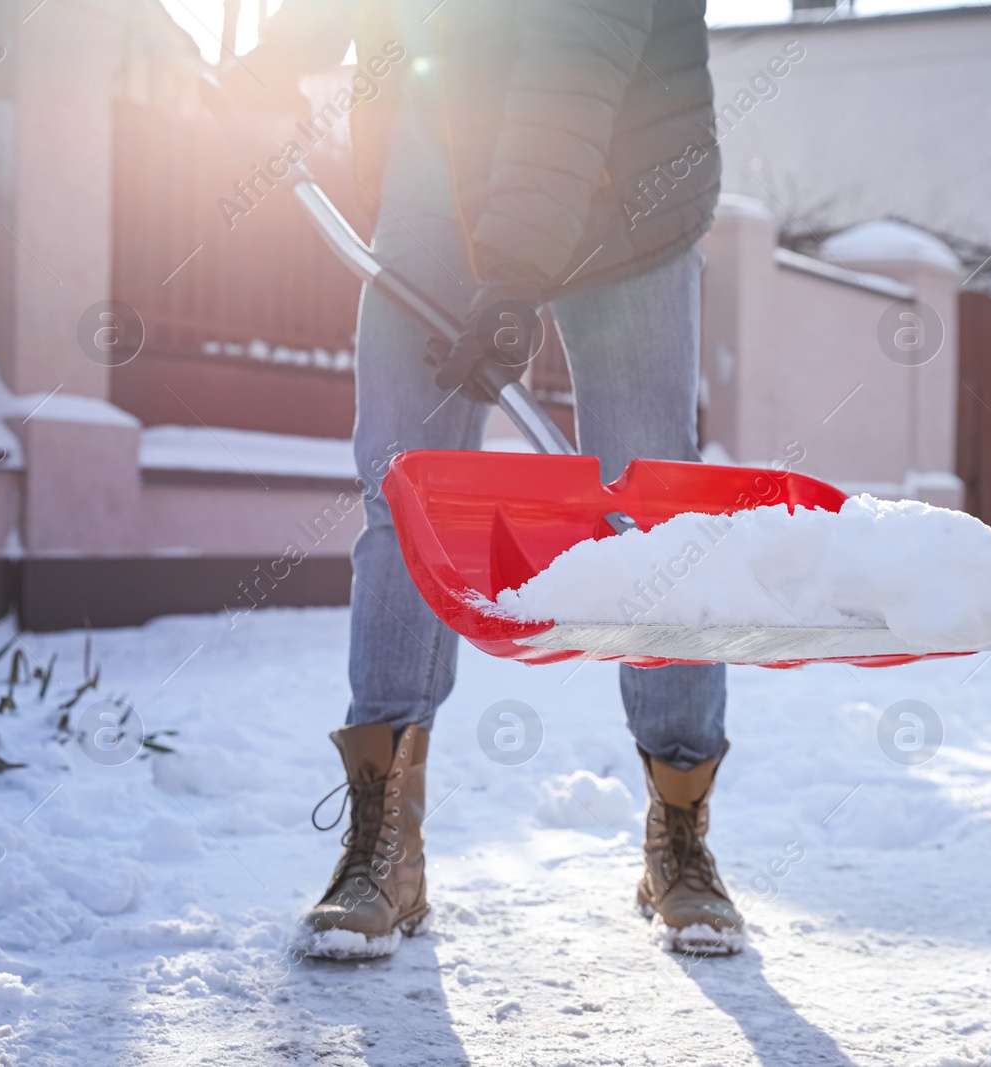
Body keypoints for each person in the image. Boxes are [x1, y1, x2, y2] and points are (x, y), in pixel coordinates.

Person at [223, 0, 742, 958]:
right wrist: (285, 50)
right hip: (443, 132)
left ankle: (679, 822)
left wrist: (510, 273)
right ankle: (386, 838)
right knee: (405, 483)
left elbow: (574, 53)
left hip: (621, 161)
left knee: (647, 504)